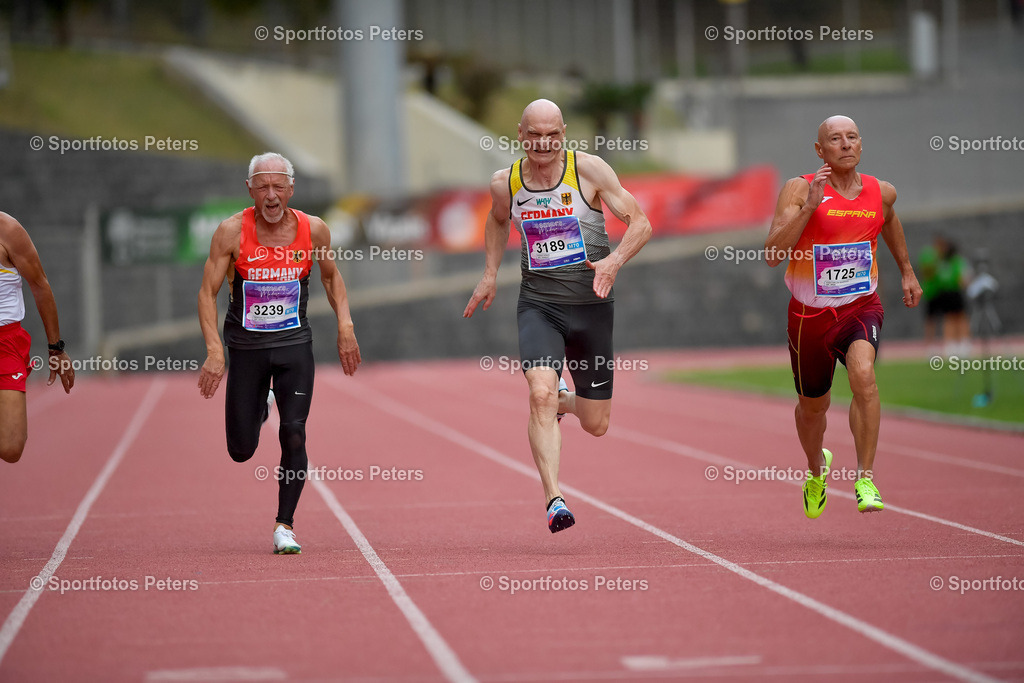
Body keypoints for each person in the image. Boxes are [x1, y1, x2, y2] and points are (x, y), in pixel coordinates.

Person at [464, 99, 652, 533]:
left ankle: (568, 402)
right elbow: (496, 221)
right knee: (539, 395)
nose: (543, 143)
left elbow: (640, 223)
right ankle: (554, 498)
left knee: (596, 424)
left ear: (563, 133)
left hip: (592, 308)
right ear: (520, 134)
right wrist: (490, 273)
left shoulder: (589, 171)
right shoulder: (505, 182)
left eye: (552, 134)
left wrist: (613, 261)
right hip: (539, 306)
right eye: (534, 135)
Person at [197, 153, 361, 554]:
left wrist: (345, 325)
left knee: (294, 432)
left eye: (278, 187)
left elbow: (331, 277)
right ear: (249, 190)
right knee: (240, 450)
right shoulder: (231, 232)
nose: (271, 196)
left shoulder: (313, 230)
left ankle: (284, 525)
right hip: (247, 348)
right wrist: (215, 350)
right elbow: (207, 293)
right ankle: (259, 405)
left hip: (293, 347)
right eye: (262, 187)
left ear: (291, 189)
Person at [765, 115, 922, 518]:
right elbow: (772, 254)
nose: (845, 144)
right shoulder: (799, 188)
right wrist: (811, 207)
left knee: (864, 376)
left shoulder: (881, 192)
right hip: (808, 316)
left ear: (861, 145)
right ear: (820, 150)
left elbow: (889, 222)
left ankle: (865, 478)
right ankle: (816, 470)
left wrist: (906, 270)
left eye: (852, 137)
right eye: (835, 139)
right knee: (812, 409)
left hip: (859, 306)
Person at [0, 212, 75, 463]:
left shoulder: (8, 230)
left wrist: (56, 348)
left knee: (12, 447)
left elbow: (40, 285)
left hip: (5, 343)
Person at [918, 235, 971, 356]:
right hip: (939, 292)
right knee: (945, 318)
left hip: (953, 291)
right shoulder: (933, 258)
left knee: (959, 317)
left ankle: (963, 342)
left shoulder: (955, 261)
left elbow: (961, 277)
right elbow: (926, 272)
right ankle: (947, 344)